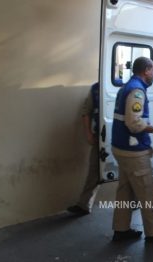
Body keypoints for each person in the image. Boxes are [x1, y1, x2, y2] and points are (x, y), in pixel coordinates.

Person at [110, 56, 153, 242]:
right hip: (132, 151)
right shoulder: (137, 91)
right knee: (147, 193)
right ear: (146, 70)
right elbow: (134, 123)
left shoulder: (126, 87)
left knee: (125, 191)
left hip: (122, 147)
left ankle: (121, 230)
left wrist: (146, 141)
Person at [67, 83, 101, 215]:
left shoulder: (124, 86)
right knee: (94, 170)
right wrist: (88, 134)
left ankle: (135, 201)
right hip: (101, 136)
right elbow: (87, 112)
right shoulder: (96, 88)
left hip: (120, 137)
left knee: (128, 171)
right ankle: (84, 205)